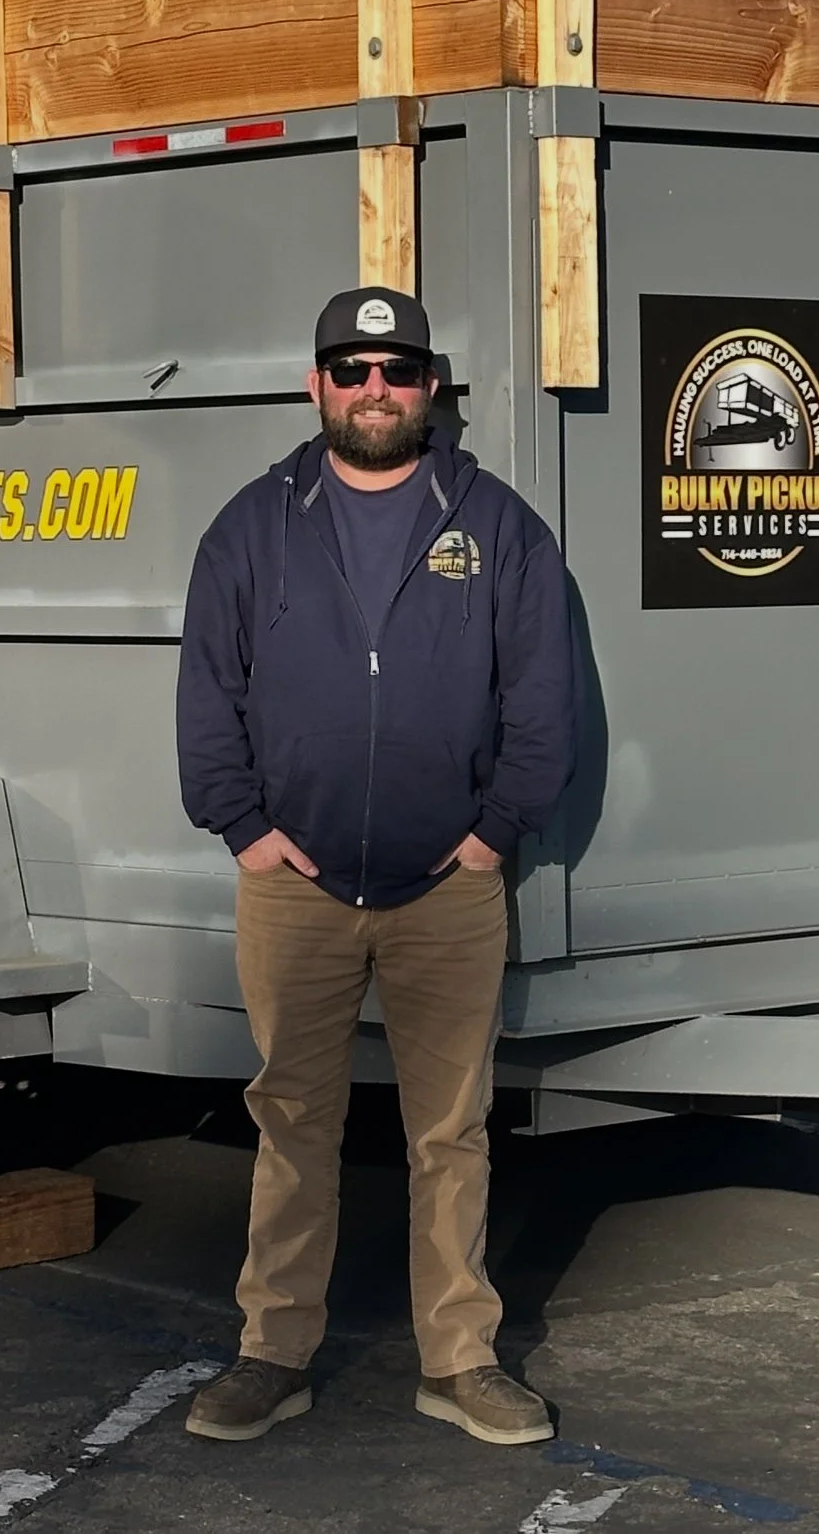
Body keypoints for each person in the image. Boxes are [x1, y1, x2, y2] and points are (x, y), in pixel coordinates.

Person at [175, 286, 577, 1446]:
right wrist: (241, 825)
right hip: (290, 886)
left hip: (449, 888)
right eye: (349, 370)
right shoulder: (254, 525)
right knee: (292, 1117)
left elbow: (543, 700)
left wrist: (495, 831)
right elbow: (208, 693)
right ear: (316, 387)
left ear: (431, 387)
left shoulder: (497, 526)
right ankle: (272, 1352)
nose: (373, 390)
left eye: (395, 370)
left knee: (449, 1131)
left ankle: (459, 1359)